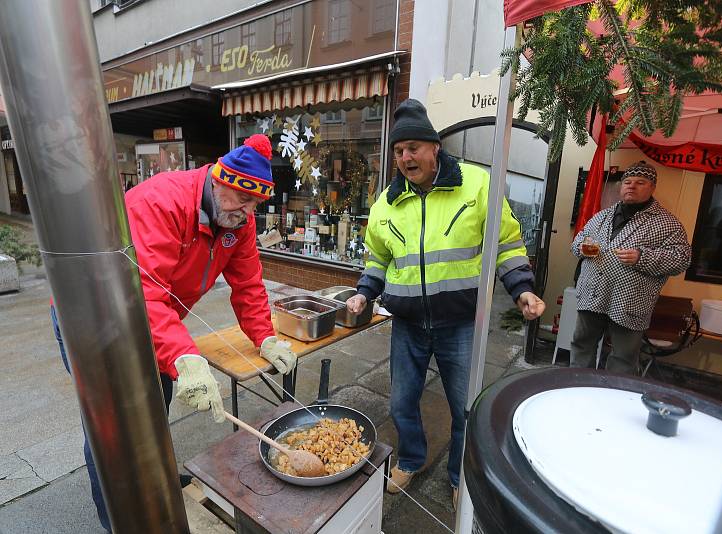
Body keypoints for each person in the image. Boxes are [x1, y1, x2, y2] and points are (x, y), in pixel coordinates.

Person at [51, 134, 298, 532]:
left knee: (157, 401)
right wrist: (184, 357)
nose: (248, 213)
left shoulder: (239, 221)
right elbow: (144, 294)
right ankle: (117, 520)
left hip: (152, 317)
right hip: (90, 316)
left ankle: (156, 483)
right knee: (111, 428)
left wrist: (264, 337)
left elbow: (249, 284)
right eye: (242, 200)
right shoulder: (162, 200)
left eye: (255, 205)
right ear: (218, 180)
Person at [345, 99, 545, 507]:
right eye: (399, 151)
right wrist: (364, 291)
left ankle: (459, 477)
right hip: (408, 324)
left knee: (466, 408)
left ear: (434, 147)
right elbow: (378, 257)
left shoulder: (477, 185)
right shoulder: (386, 202)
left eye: (413, 148)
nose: (405, 158)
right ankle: (412, 459)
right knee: (401, 401)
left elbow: (505, 242)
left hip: (461, 322)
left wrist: (521, 287)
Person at [570, 160, 691, 374]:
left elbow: (681, 259)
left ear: (652, 188)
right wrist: (583, 248)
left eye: (640, 182)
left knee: (624, 357)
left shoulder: (668, 224)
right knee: (582, 344)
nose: (631, 186)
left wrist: (642, 257)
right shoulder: (602, 216)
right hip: (593, 293)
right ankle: (577, 383)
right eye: (627, 181)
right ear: (621, 186)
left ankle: (615, 396)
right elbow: (577, 241)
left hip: (629, 301)